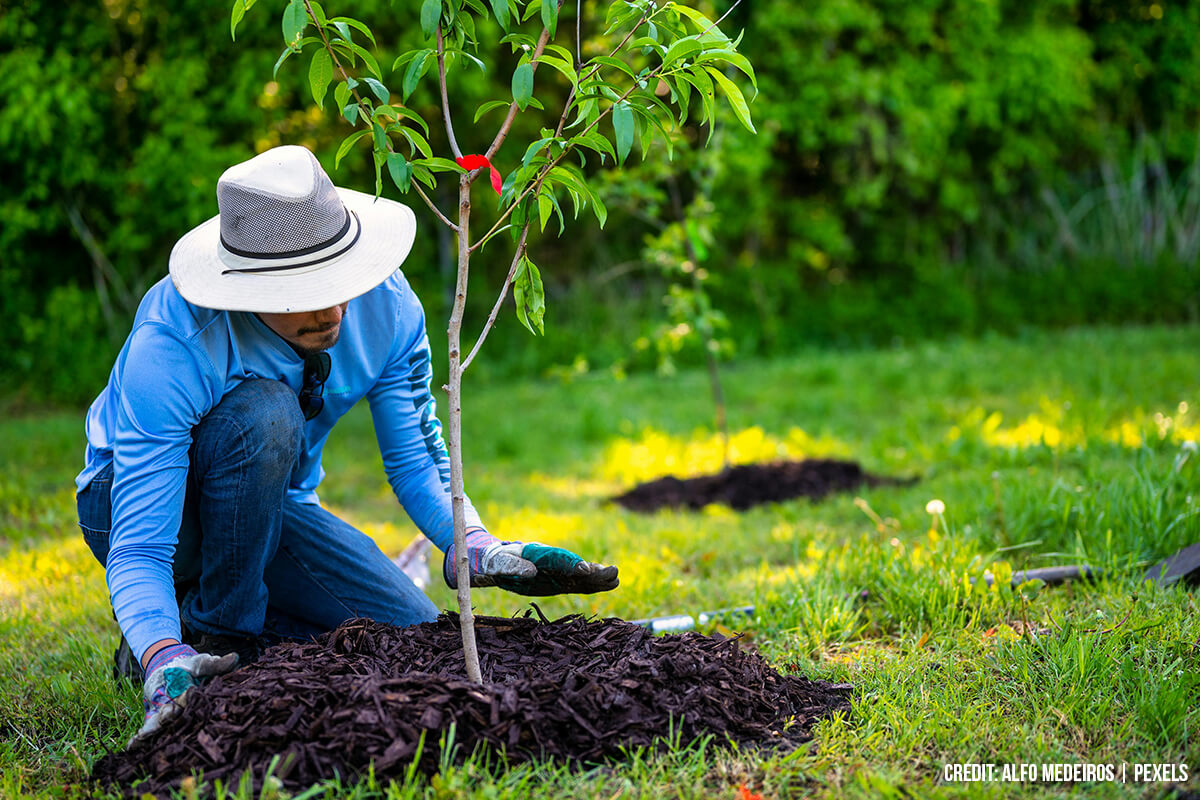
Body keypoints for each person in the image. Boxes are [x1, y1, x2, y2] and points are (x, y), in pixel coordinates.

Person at [74, 145, 618, 741]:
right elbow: (140, 547)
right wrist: (161, 656)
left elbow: (417, 458)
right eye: (303, 290)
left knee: (409, 632)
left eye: (341, 279)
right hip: (135, 508)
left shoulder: (387, 308)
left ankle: (200, 631)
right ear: (248, 288)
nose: (334, 308)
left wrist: (475, 546)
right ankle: (199, 643)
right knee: (266, 412)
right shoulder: (177, 342)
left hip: (272, 509)